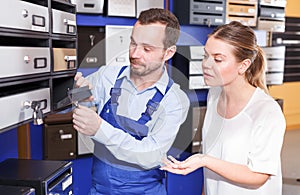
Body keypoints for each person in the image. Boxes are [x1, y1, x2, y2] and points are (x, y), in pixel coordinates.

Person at [72, 8, 190, 195]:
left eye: (147, 49)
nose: (135, 53)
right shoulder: (107, 75)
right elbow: (80, 110)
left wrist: (100, 129)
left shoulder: (175, 101)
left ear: (168, 53)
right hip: (99, 190)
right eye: (133, 43)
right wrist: (81, 97)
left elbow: (150, 155)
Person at [161, 21, 286, 195]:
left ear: (243, 65)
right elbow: (212, 165)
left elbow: (258, 174)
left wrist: (204, 160)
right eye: (206, 56)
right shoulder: (214, 95)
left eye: (218, 59)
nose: (206, 64)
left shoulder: (267, 111)